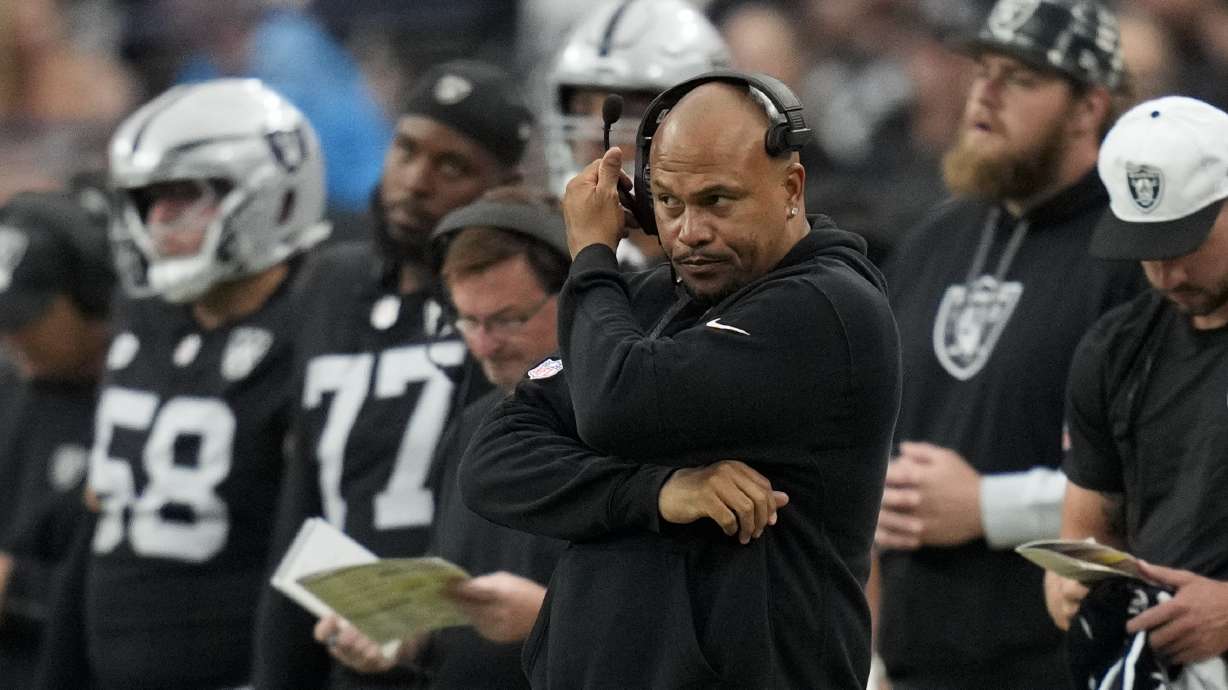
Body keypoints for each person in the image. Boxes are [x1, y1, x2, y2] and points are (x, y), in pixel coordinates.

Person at [461, 73, 901, 688]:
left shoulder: (828, 308)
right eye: (668, 203)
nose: (689, 231)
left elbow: (617, 404)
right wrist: (657, 493)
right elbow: (492, 458)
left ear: (791, 188)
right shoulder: (644, 300)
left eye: (718, 201)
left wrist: (591, 257)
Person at [874, 1, 1145, 687]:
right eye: (983, 71)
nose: (983, 93)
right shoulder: (934, 240)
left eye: (1020, 78)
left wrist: (988, 506)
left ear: (1088, 107)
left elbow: (1160, 481)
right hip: (916, 655)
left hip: (1059, 660)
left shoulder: (1135, 255)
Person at [254, 60, 534, 690]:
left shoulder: (502, 309)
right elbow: (303, 501)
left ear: (504, 187)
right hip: (341, 639)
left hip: (458, 647)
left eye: (452, 166)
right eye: (406, 150)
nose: (415, 181)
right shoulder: (330, 283)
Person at [68, 78, 328, 689]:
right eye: (149, 199)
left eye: (186, 195)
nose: (158, 220)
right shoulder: (146, 319)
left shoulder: (316, 322)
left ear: (275, 195)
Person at [314, 187, 570, 687]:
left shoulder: (632, 427)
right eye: (467, 320)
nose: (484, 346)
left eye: (507, 320)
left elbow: (674, 627)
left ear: (579, 293)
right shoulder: (477, 422)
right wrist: (410, 639)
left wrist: (549, 618)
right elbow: (463, 601)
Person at [1045, 95, 1228, 683]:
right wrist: (1072, 582)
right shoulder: (1115, 349)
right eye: (1147, 248)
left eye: (1185, 243)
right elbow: (1086, 530)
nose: (1167, 273)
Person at [0, 190, 114, 689]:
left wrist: (19, 587)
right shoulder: (12, 387)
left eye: (26, 318)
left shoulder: (137, 404)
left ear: (91, 293)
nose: (11, 337)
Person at [543, 0, 730, 269]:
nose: (596, 134)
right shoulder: (541, 256)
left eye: (630, 110)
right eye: (581, 108)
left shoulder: (734, 260)